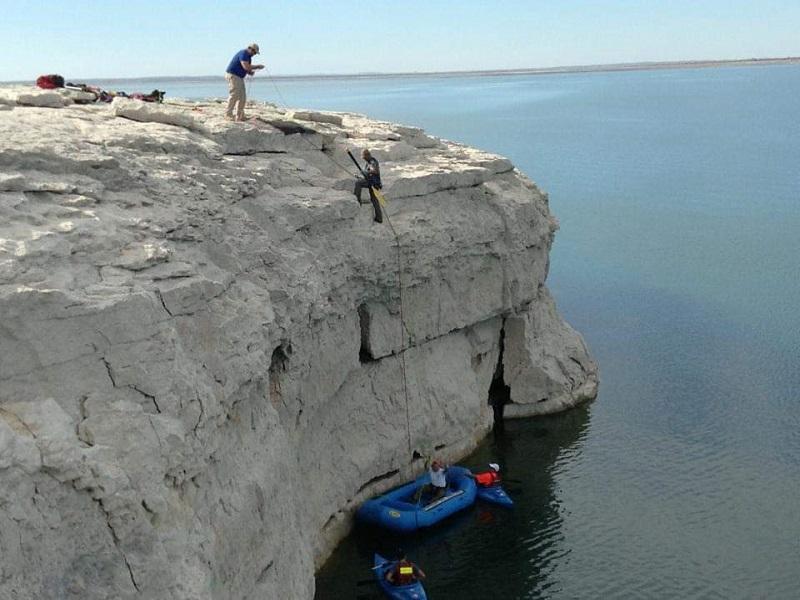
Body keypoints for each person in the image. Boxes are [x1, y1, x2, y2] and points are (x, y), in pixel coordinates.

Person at [225, 43, 264, 121]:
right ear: (250, 49)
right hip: (233, 75)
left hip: (239, 77)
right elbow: (245, 66)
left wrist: (250, 72)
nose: (254, 54)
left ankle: (240, 116)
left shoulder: (248, 57)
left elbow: (245, 68)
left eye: (255, 53)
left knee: (242, 97)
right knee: (234, 95)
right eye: (254, 52)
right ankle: (228, 114)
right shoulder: (244, 53)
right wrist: (257, 66)